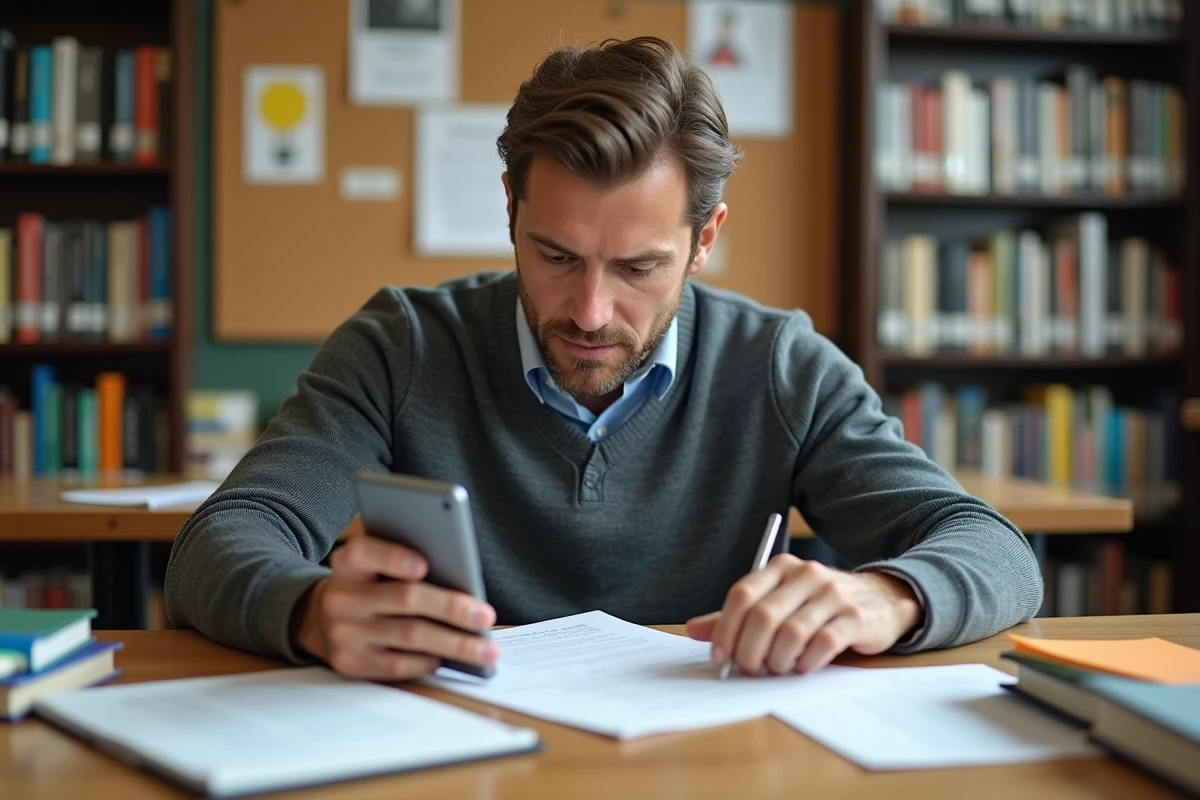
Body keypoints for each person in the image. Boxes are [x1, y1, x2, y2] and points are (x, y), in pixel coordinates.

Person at [165, 36, 1042, 682]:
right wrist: (310, 610)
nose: (589, 312)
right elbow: (219, 542)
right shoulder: (402, 345)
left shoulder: (779, 365)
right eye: (556, 256)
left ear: (705, 239)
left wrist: (888, 596)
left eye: (638, 268)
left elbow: (995, 551)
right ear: (510, 208)